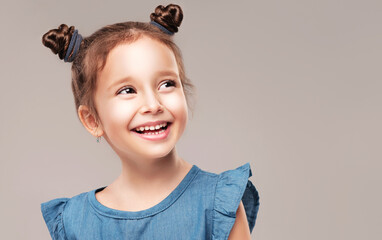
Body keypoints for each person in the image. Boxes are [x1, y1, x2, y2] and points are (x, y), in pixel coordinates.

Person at [40, 4, 260, 240]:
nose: (153, 105)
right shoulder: (75, 222)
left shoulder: (218, 204)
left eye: (167, 84)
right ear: (92, 120)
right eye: (127, 90)